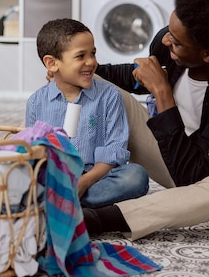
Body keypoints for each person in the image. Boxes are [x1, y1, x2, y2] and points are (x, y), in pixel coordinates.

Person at [83, 0, 209, 240]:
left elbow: (189, 175)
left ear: (208, 55)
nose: (166, 41)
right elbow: (136, 76)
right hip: (165, 149)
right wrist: (84, 72)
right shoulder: (169, 41)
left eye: (176, 41)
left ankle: (95, 219)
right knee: (88, 81)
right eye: (170, 32)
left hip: (208, 170)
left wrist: (162, 93)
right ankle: (74, 176)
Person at [26, 19, 149, 208]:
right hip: (55, 180)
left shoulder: (109, 95)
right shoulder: (36, 102)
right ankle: (72, 206)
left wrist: (84, 182)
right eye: (80, 56)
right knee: (17, 181)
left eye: (93, 53)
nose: (91, 62)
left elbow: (113, 151)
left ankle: (58, 206)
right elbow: (33, 153)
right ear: (52, 63)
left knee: (136, 176)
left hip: (96, 179)